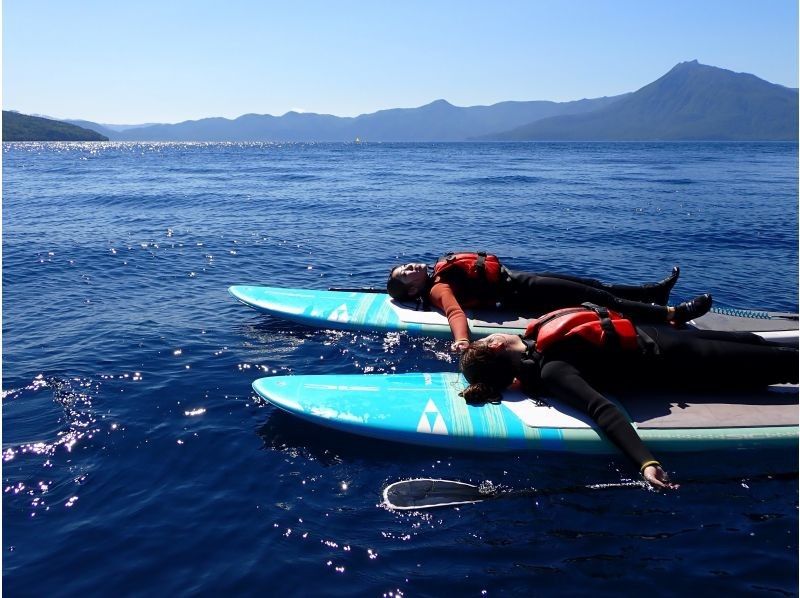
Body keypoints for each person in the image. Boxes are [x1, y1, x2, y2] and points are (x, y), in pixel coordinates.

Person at [458, 304, 799, 489]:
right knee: (786, 365)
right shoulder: (552, 370)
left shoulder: (540, 345)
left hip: (673, 340)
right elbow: (602, 410)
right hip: (694, 363)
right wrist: (646, 462)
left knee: (757, 343)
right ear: (496, 344)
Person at [386, 252, 713, 351]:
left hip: (519, 281)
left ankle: (652, 294)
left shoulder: (437, 275)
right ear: (413, 291)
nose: (411, 268)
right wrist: (461, 340)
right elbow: (455, 312)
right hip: (522, 292)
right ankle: (670, 314)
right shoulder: (437, 289)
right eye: (405, 274)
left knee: (591, 284)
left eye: (406, 266)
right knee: (595, 297)